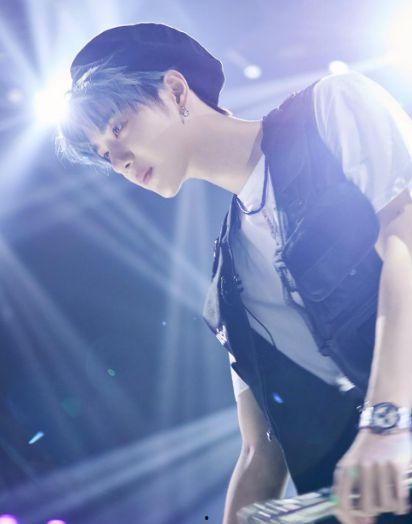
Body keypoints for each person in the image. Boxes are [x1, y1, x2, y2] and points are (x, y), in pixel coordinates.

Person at [56, 22, 412, 524]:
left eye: (117, 128)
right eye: (102, 153)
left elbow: (405, 244)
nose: (118, 161)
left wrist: (387, 421)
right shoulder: (226, 284)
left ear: (175, 90)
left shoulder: (330, 109)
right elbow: (259, 450)